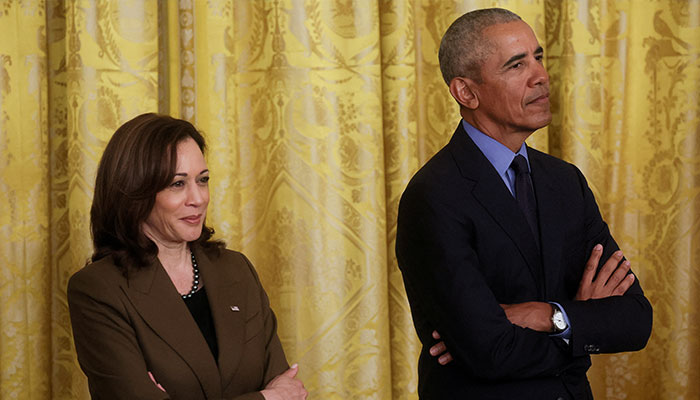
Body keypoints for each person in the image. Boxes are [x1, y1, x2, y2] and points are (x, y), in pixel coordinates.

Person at [395, 8, 652, 399]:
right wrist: (581, 324)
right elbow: (490, 352)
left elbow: (635, 320)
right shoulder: (433, 195)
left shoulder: (566, 182)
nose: (541, 76)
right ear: (466, 92)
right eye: (516, 65)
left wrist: (546, 316)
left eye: (538, 57)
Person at [68, 113, 308, 400]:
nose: (198, 198)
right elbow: (280, 395)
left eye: (203, 180)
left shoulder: (236, 269)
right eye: (177, 184)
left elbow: (287, 386)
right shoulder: (98, 289)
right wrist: (267, 398)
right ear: (136, 192)